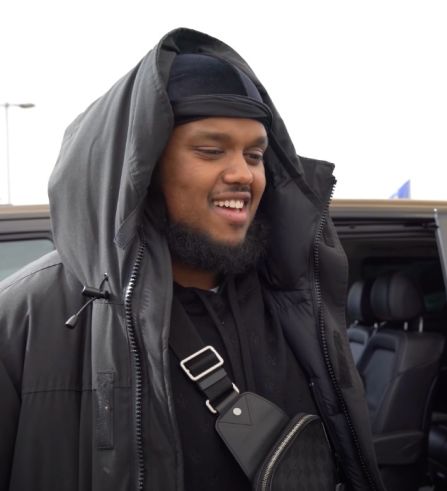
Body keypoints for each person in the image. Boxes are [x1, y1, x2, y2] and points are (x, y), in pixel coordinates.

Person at [0, 28, 383, 491]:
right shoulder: (24, 317)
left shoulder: (298, 303)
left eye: (256, 154)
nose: (243, 173)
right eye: (210, 150)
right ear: (140, 167)